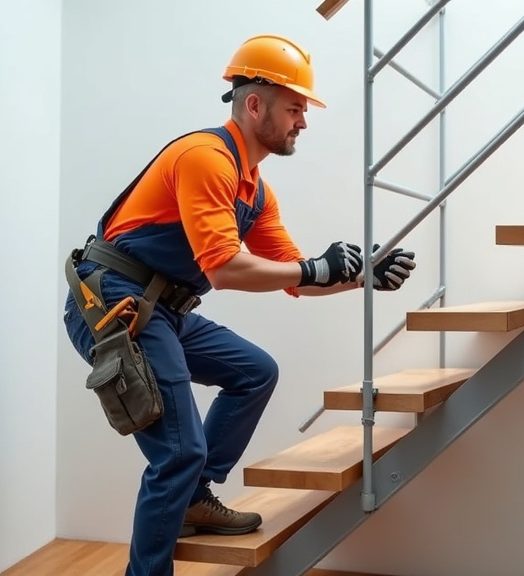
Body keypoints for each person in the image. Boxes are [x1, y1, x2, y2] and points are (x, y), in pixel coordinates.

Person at [62, 34, 417, 576]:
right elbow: (224, 269)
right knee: (177, 453)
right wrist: (315, 268)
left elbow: (294, 278)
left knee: (254, 371)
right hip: (114, 301)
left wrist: (358, 276)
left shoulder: (255, 190)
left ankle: (195, 499)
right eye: (295, 107)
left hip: (164, 308)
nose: (303, 121)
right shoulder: (206, 159)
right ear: (255, 105)